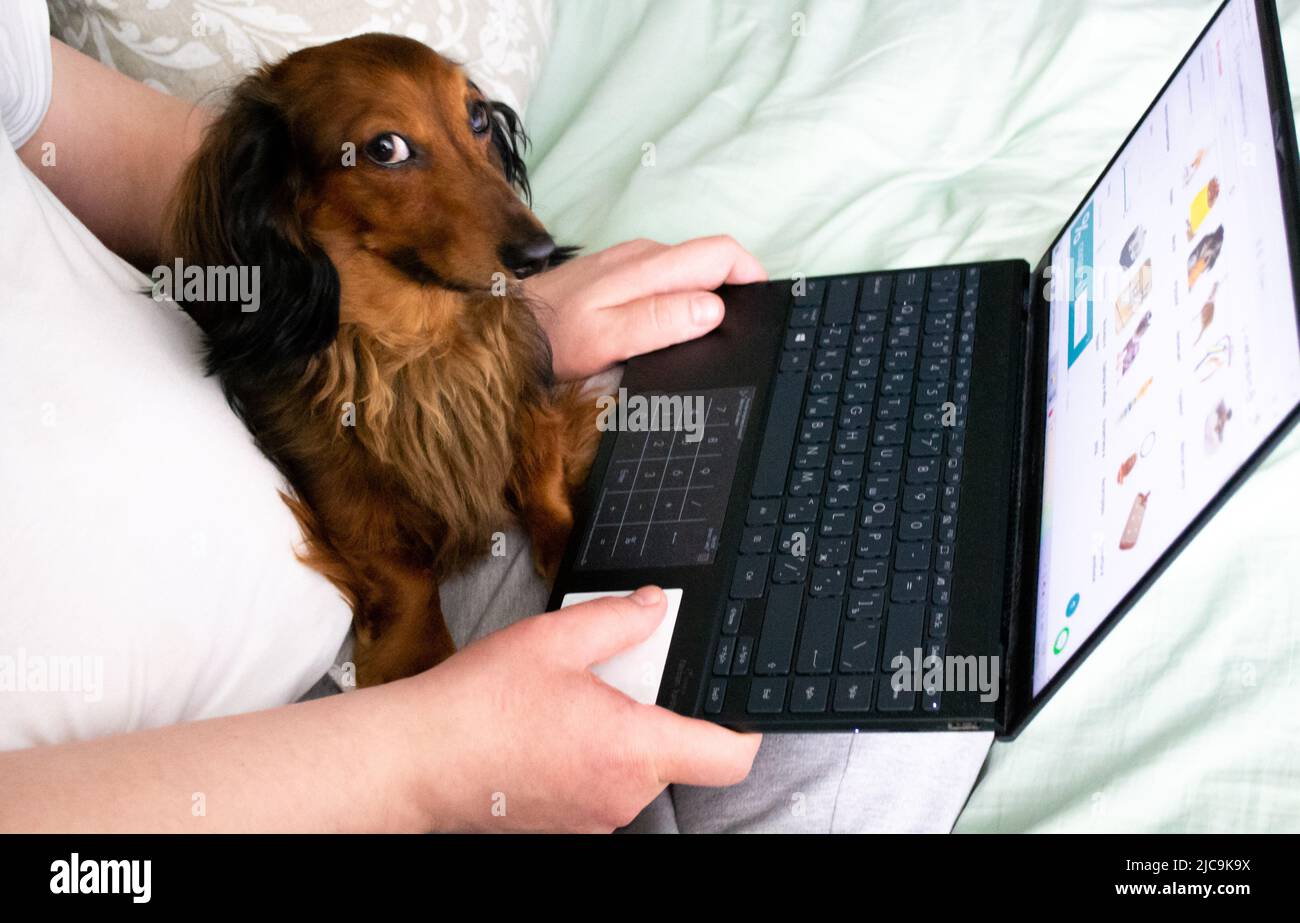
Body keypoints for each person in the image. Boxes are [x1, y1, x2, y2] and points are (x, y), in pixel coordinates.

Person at [0, 1, 991, 833]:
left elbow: (110, 145)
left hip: (406, 485)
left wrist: (481, 325)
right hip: (249, 774)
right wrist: (429, 760)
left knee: (874, 588)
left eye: (470, 126)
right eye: (391, 148)